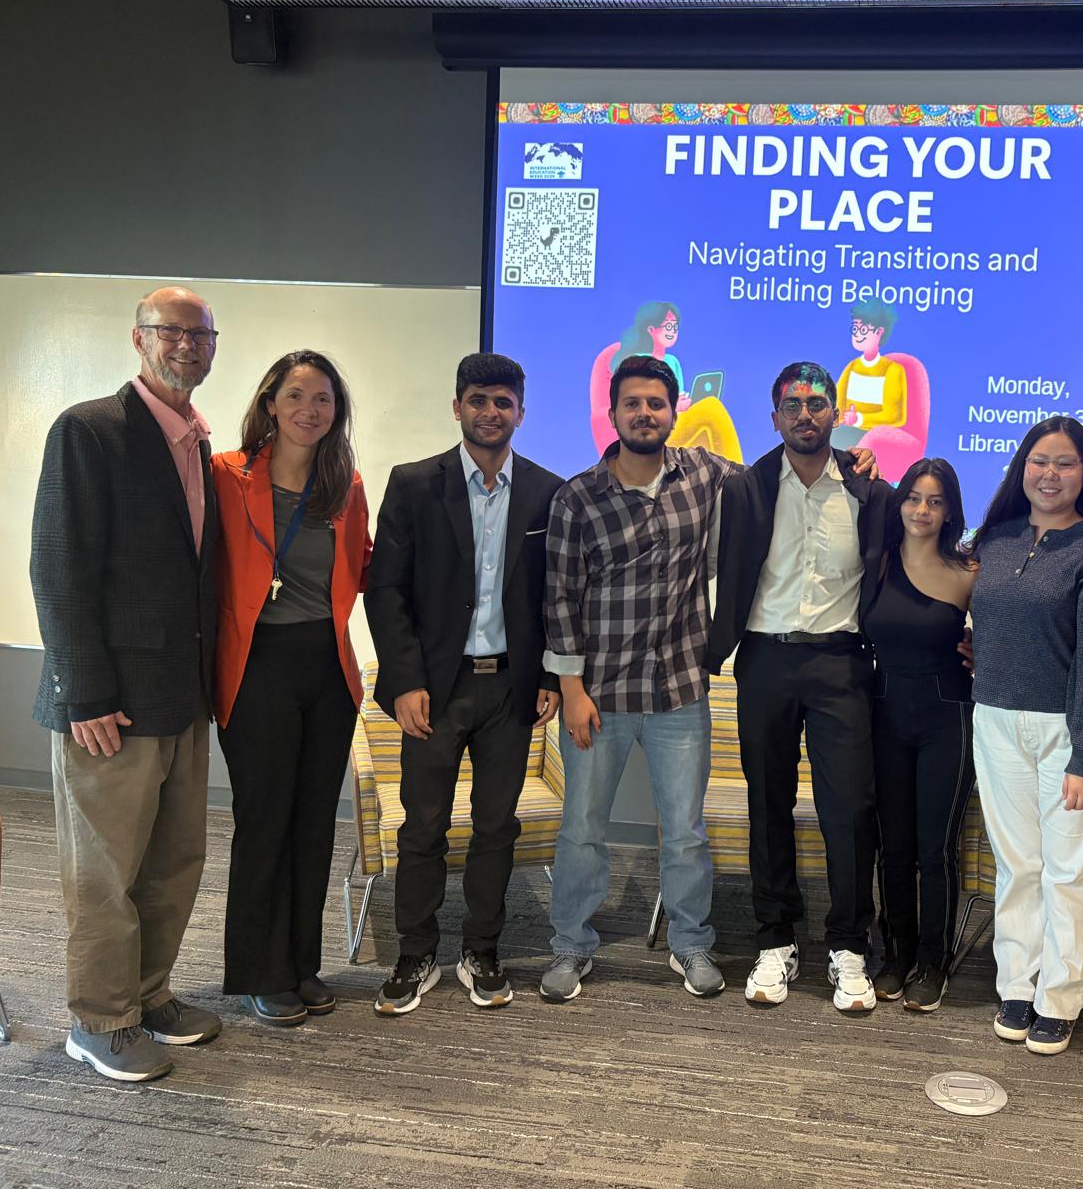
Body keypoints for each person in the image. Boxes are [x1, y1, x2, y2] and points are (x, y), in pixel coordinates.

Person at [29, 286, 223, 1082]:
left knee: (174, 862)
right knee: (104, 874)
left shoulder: (196, 442)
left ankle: (148, 994)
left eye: (200, 334)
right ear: (138, 339)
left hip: (182, 696)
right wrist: (85, 694)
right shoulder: (90, 429)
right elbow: (59, 566)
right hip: (109, 705)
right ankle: (99, 1020)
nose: (186, 344)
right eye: (170, 331)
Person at [365, 354, 562, 1015]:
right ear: (457, 407)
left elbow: (558, 595)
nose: (490, 413)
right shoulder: (416, 484)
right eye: (478, 400)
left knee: (495, 827)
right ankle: (414, 952)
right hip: (435, 692)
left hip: (511, 690)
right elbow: (385, 590)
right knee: (423, 827)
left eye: (503, 402)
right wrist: (403, 681)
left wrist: (551, 678)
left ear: (520, 414)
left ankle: (482, 949)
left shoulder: (545, 491)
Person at [540, 355, 741, 1002]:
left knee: (684, 832)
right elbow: (560, 600)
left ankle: (690, 944)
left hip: (679, 692)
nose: (645, 414)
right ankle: (570, 947)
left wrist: (854, 463)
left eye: (656, 403)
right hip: (598, 696)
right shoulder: (578, 498)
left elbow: (775, 480)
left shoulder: (706, 476)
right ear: (614, 410)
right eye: (634, 403)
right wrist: (570, 690)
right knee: (583, 829)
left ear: (673, 411)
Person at [707, 361, 894, 1012]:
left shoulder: (869, 490)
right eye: (793, 404)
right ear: (775, 415)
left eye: (817, 403)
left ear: (835, 412)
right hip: (764, 661)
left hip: (842, 664)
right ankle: (775, 939)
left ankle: (847, 944)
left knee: (850, 809)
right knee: (769, 805)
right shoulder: (746, 486)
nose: (805, 414)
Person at [966, 416, 1083, 1056]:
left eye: (1065, 463)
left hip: (1071, 730)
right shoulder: (999, 539)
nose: (1050, 474)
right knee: (1018, 867)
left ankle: (1059, 998)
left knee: (1071, 874)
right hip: (997, 721)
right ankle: (1018, 983)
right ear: (1021, 467)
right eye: (1040, 461)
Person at [212, 351, 371, 1027]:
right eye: (298, 395)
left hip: (326, 668)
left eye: (325, 400)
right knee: (265, 819)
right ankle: (259, 970)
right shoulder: (225, 474)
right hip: (256, 666)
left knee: (312, 823)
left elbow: (363, 571)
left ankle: (303, 965)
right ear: (270, 401)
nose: (311, 409)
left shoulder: (346, 485)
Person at [864, 458, 977, 1012]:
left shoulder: (969, 573)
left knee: (935, 850)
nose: (921, 510)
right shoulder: (876, 563)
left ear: (949, 510)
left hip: (947, 721)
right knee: (895, 847)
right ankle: (897, 953)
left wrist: (983, 653)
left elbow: (1002, 641)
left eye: (934, 501)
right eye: (913, 498)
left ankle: (934, 962)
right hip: (883, 717)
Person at [833, 297, 907, 449]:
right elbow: (836, 404)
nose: (858, 334)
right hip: (846, 432)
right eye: (855, 329)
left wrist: (859, 419)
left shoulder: (892, 370)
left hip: (873, 437)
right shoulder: (852, 367)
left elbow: (895, 416)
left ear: (879, 332)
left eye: (864, 329)